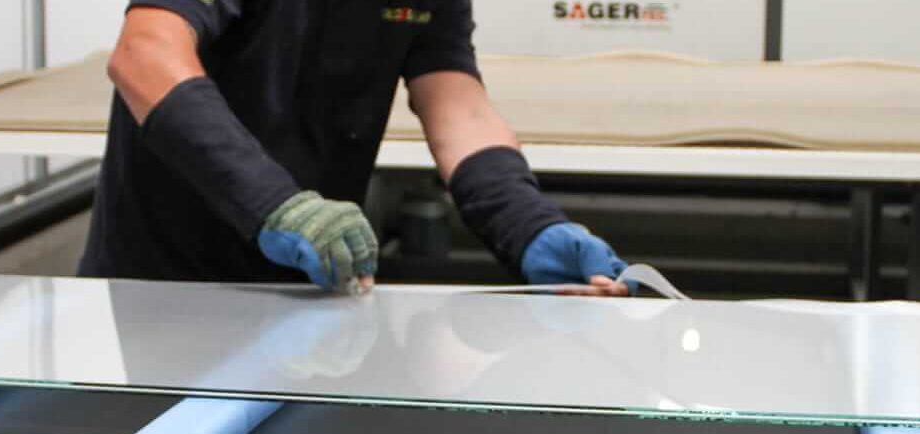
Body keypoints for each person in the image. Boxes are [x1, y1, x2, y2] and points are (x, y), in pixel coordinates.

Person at [79, 0, 630, 297]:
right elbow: (144, 55)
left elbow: (455, 102)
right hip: (162, 282)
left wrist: (528, 224)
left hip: (311, 285)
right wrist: (278, 205)